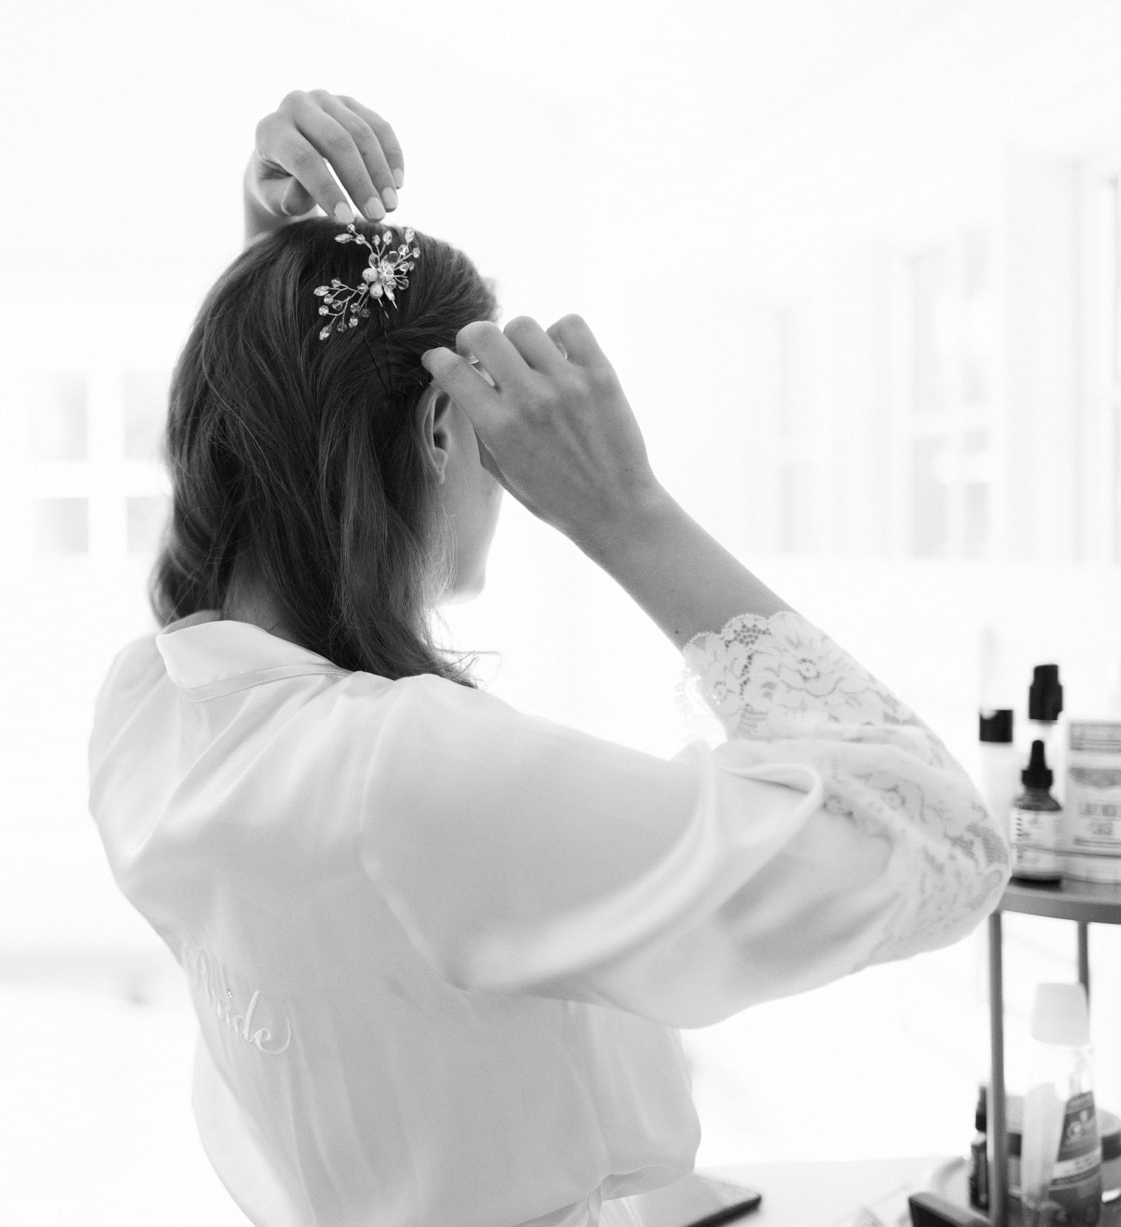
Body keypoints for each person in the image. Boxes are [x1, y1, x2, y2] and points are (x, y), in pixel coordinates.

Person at [86, 89, 1010, 1227]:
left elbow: (283, 448)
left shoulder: (149, 712)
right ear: (436, 431)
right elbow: (943, 852)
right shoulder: (403, 774)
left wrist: (279, 274)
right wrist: (628, 514)